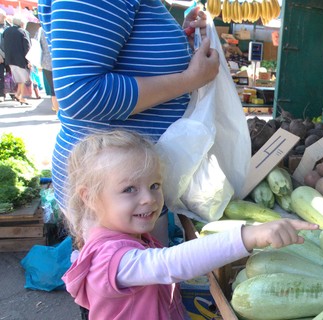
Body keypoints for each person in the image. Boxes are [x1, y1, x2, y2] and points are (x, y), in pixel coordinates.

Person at [62, 129, 318, 320]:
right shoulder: (109, 260)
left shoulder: (124, 236)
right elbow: (169, 264)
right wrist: (247, 236)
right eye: (129, 189)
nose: (149, 198)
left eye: (155, 185)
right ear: (90, 197)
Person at [38, 1, 220, 245]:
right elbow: (80, 94)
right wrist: (190, 79)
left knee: (148, 279)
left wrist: (178, 45)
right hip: (115, 189)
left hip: (131, 185)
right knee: (129, 278)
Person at [2, 15, 30, 104]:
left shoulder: (6, 31)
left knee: (19, 79)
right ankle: (21, 97)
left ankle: (18, 95)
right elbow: (27, 47)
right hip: (21, 59)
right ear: (22, 23)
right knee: (23, 78)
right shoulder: (23, 32)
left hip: (10, 59)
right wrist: (29, 60)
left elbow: (2, 45)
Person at [38, 28, 58, 111]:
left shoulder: (41, 30)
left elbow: (37, 44)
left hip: (47, 62)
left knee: (53, 89)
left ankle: (57, 110)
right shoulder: (59, 25)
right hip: (60, 61)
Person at [0, 9, 11, 102]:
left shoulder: (8, 27)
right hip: (0, 55)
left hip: (9, 55)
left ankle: (12, 93)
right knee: (1, 75)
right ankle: (1, 94)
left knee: (10, 75)